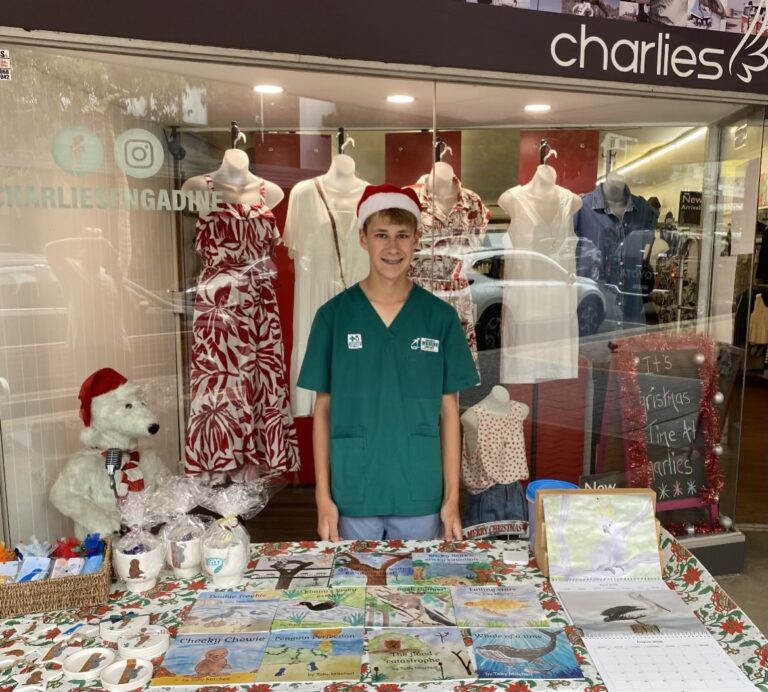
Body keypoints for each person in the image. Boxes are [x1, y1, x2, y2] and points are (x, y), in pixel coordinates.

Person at [297, 184, 480, 542]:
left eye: (402, 235)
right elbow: (322, 410)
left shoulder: (439, 318)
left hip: (420, 492)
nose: (392, 247)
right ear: (363, 238)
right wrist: (323, 499)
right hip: (354, 491)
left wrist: (452, 498)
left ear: (416, 240)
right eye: (381, 235)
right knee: (355, 592)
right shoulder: (333, 317)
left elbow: (449, 412)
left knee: (421, 592)